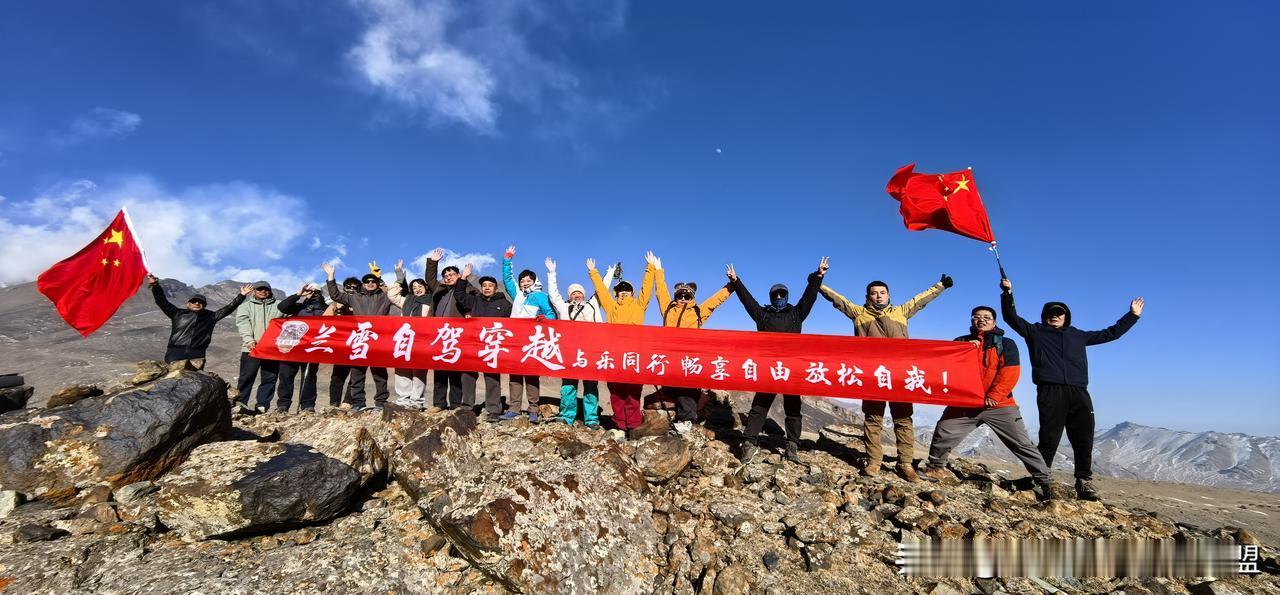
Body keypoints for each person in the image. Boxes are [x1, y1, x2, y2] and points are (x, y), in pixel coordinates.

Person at [1000, 277, 1143, 501]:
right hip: (1050, 391)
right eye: (1051, 313)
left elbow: (1111, 333)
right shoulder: (1035, 332)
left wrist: (1132, 316)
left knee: (1084, 437)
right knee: (1049, 437)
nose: (1055, 316)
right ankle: (1040, 478)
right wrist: (1007, 293)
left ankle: (1083, 481)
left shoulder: (1078, 335)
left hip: (1079, 391)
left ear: (1066, 317)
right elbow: (1011, 317)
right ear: (1045, 316)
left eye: (1059, 313)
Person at [820, 273, 953, 481]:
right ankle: (873, 462)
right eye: (874, 293)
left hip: (900, 375)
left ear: (889, 295)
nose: (879, 296)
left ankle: (905, 463)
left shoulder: (901, 312)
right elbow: (839, 300)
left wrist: (941, 285)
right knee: (873, 419)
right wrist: (818, 283)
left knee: (903, 419)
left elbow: (921, 299)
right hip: (873, 376)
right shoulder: (858, 314)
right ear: (867, 297)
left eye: (882, 293)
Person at [920, 306, 1054, 500]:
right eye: (977, 317)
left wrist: (995, 395)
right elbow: (946, 366)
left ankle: (1046, 482)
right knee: (944, 431)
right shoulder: (961, 341)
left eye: (986, 317)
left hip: (999, 405)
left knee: (1021, 444)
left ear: (994, 322)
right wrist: (964, 350)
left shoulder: (1006, 344)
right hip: (966, 404)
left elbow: (1010, 372)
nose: (981, 320)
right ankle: (935, 468)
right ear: (972, 320)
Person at [730, 257, 827, 464]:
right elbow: (747, 301)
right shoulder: (762, 315)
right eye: (776, 294)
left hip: (791, 368)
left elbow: (809, 297)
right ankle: (749, 442)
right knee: (759, 406)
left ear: (787, 296)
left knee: (793, 408)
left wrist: (818, 276)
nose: (779, 297)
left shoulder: (796, 314)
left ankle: (792, 446)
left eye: (782, 294)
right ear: (771, 297)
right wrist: (736, 281)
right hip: (769, 368)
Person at [654, 259, 734, 435]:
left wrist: (732, 284)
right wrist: (658, 270)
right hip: (669, 355)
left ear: (692, 298)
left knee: (685, 388)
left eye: (687, 296)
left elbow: (715, 300)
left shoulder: (698, 311)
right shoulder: (668, 308)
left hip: (688, 357)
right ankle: (691, 407)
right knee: (671, 387)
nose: (683, 299)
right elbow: (661, 291)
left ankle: (687, 420)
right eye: (680, 296)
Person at [587, 252, 657, 438]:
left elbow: (646, 290)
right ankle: (619, 423)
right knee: (616, 391)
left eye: (627, 289)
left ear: (632, 293)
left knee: (633, 391)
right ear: (616, 292)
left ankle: (633, 425)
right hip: (615, 355)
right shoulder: (611, 307)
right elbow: (602, 292)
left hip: (634, 355)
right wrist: (594, 272)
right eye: (620, 289)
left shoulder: (639, 305)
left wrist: (650, 268)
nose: (624, 291)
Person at [545, 257, 615, 428]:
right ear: (569, 296)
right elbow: (553, 295)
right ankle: (567, 415)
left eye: (579, 293)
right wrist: (552, 273)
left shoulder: (592, 305)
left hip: (591, 351)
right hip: (570, 351)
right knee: (568, 385)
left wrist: (609, 273)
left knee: (590, 385)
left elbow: (602, 290)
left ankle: (591, 418)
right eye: (573, 293)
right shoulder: (563, 307)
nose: (576, 295)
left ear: (583, 294)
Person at [323, 261, 393, 410]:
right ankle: (358, 403)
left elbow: (397, 292)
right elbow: (335, 295)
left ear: (377, 283)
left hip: (377, 341)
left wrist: (380, 276)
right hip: (360, 340)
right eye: (367, 282)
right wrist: (330, 276)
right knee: (357, 373)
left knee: (380, 374)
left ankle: (381, 403)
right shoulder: (354, 297)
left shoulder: (385, 297)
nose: (370, 283)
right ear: (363, 284)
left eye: (373, 281)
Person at [502, 246, 558, 422]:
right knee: (515, 376)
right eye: (522, 280)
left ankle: (533, 409)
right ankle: (514, 408)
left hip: (533, 342)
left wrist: (544, 319)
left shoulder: (541, 296)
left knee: (532, 375)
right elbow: (507, 280)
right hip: (515, 340)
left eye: (528, 280)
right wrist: (507, 259)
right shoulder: (517, 295)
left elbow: (551, 314)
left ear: (534, 281)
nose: (525, 283)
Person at [452, 266, 514, 421]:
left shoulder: (505, 304)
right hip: (473, 344)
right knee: (468, 375)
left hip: (492, 346)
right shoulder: (474, 300)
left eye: (490, 286)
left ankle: (494, 409)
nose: (487, 288)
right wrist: (463, 278)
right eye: (484, 285)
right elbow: (459, 295)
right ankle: (467, 407)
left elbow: (512, 325)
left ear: (495, 288)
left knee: (492, 378)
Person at [147, 274, 249, 367]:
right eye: (193, 301)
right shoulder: (177, 313)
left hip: (197, 354)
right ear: (188, 304)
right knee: (172, 377)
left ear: (204, 305)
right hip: (175, 351)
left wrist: (241, 295)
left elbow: (229, 308)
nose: (196, 303)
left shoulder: (211, 316)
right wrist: (155, 285)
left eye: (200, 302)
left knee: (194, 379)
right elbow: (161, 301)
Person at [424, 249, 479, 409]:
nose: (448, 277)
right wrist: (433, 262)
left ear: (459, 275)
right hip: (439, 335)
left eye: (452, 275)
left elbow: (473, 304)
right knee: (439, 370)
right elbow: (430, 278)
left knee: (455, 370)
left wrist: (464, 279)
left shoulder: (469, 289)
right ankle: (439, 404)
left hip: (457, 335)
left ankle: (455, 404)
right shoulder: (439, 289)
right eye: (446, 276)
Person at [275, 283, 327, 412]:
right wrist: (299, 294)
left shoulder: (326, 309)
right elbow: (282, 307)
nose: (312, 294)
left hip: (312, 347)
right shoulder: (298, 307)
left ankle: (307, 405)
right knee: (286, 375)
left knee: (309, 376)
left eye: (316, 292)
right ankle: (283, 404)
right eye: (309, 291)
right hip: (293, 345)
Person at [387, 259, 432, 410]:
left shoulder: (431, 301)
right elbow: (392, 295)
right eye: (414, 287)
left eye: (420, 287)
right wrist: (399, 276)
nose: (417, 289)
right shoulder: (407, 301)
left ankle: (416, 400)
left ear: (425, 287)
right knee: (402, 367)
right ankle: (404, 397)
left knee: (419, 370)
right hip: (405, 339)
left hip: (421, 340)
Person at [235, 281, 285, 413]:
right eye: (260, 289)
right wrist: (249, 340)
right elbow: (243, 323)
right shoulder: (245, 306)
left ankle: (262, 405)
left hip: (271, 350)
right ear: (254, 291)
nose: (263, 291)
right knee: (246, 377)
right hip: (251, 348)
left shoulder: (279, 306)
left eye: (266, 289)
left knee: (269, 378)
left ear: (270, 291)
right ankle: (240, 403)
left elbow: (288, 322)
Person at [324, 277, 361, 409]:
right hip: (341, 345)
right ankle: (334, 403)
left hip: (358, 344)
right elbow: (323, 321)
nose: (351, 289)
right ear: (344, 288)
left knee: (356, 376)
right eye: (348, 287)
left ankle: (348, 402)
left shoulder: (362, 303)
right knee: (337, 376)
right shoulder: (335, 304)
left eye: (355, 287)